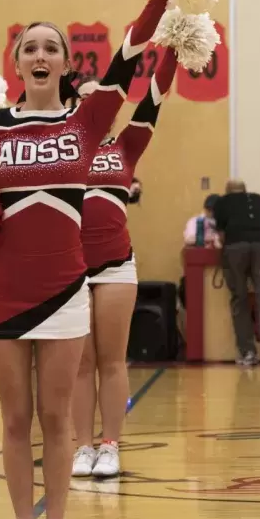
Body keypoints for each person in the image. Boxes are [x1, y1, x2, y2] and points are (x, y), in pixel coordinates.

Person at [0, 0, 169, 519]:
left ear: (64, 62)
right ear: (17, 63)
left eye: (50, 48)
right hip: (3, 291)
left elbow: (131, 51)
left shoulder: (87, 122)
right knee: (13, 418)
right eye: (29, 48)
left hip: (65, 289)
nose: (39, 56)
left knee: (56, 417)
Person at [70, 47, 177, 479]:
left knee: (112, 360)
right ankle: (82, 447)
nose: (99, 106)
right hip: (69, 266)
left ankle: (110, 445)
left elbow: (155, 93)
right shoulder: (60, 148)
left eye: (105, 100)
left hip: (116, 263)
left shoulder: (127, 145)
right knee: (80, 363)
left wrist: (173, 42)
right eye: (88, 99)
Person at [214, 179, 260, 367]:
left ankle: (247, 353)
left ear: (227, 191)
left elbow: (222, 234)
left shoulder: (222, 202)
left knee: (239, 297)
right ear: (245, 190)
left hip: (235, 247)